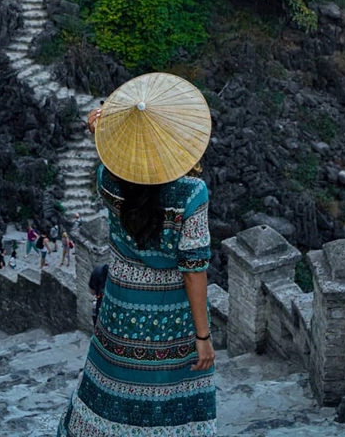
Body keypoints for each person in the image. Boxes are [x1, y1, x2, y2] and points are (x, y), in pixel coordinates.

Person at [57, 72, 215, 437]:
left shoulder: (107, 181)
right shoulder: (192, 193)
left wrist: (98, 133)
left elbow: (116, 165)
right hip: (172, 316)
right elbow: (193, 269)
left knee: (115, 386)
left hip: (121, 307)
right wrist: (202, 337)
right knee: (174, 399)